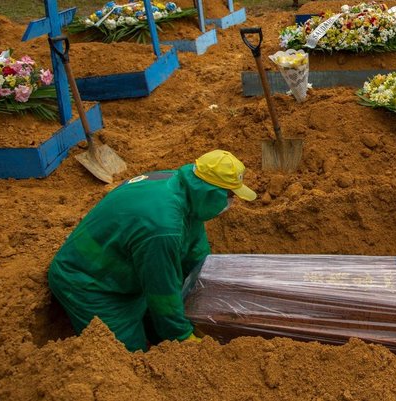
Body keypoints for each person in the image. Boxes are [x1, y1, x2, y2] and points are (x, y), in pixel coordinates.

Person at [48, 150, 258, 352]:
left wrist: (208, 293)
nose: (230, 202)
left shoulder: (180, 187)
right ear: (210, 193)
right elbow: (161, 292)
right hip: (90, 283)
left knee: (161, 320)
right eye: (229, 195)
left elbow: (196, 249)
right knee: (129, 357)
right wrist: (183, 337)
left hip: (124, 268)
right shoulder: (162, 228)